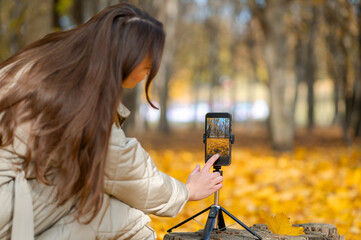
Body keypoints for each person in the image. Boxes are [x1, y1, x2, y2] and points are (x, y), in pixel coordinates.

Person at [0, 3, 223, 240]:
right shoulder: (79, 96)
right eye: (147, 66)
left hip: (15, 192)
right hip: (8, 200)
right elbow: (125, 168)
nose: (148, 74)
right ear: (125, 57)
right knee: (128, 220)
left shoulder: (48, 66)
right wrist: (187, 191)